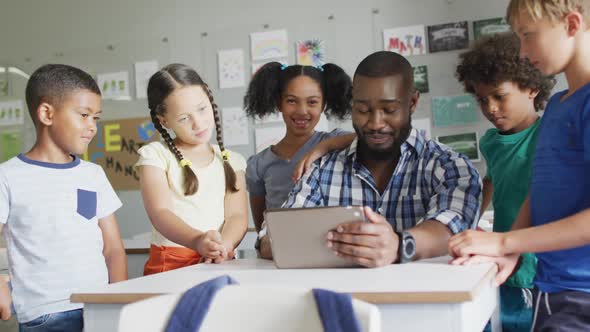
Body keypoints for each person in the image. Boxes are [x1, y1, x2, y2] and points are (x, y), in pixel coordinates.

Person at [257, 51, 482, 268]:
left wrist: (399, 245)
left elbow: (453, 226)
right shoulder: (322, 169)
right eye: (363, 109)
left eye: (389, 109)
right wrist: (344, 244)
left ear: (412, 103)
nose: (375, 123)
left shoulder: (449, 166)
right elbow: (270, 239)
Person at [449, 1, 590, 330]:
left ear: (571, 25)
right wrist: (510, 249)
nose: (523, 53)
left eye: (528, 36)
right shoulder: (558, 105)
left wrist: (502, 242)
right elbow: (539, 191)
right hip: (551, 288)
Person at [0, 64, 127, 331]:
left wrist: (119, 301)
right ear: (47, 113)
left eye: (96, 118)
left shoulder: (93, 174)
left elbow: (113, 248)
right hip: (47, 315)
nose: (91, 127)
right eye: (83, 115)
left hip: (98, 307)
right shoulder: (8, 176)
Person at [455, 32, 555, 332]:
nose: (491, 108)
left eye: (500, 96)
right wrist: (469, 221)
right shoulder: (491, 142)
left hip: (539, 262)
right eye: (482, 99)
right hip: (502, 255)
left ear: (531, 88)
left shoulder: (549, 133)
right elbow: (491, 180)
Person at [136, 64, 248, 275]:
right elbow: (160, 213)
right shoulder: (155, 156)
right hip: (169, 266)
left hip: (219, 261)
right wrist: (197, 241)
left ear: (209, 99)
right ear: (164, 121)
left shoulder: (232, 160)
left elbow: (237, 215)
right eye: (184, 118)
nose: (198, 123)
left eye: (202, 109)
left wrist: (223, 246)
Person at [244, 62, 354, 232]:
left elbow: (369, 137)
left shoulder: (336, 142)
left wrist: (324, 146)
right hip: (282, 251)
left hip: (328, 245)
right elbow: (262, 230)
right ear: (279, 103)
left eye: (312, 102)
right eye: (292, 101)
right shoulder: (258, 164)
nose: (302, 111)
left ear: (323, 104)